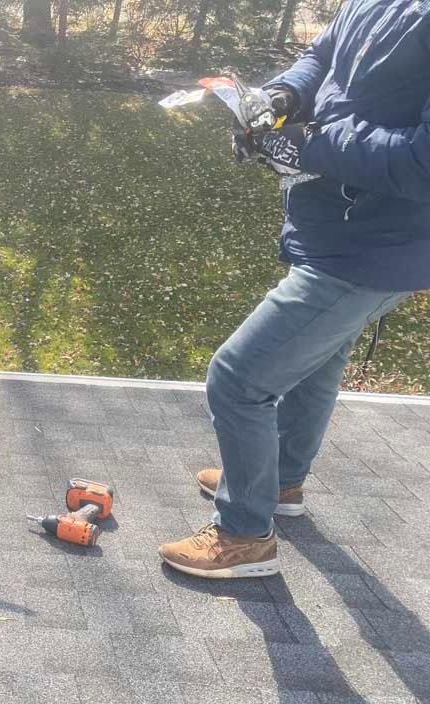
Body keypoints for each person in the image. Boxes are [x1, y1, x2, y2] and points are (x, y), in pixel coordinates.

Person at [159, 1, 430, 578]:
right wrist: (282, 99)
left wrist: (309, 145)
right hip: (340, 230)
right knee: (319, 359)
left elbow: (423, 161)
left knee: (238, 377)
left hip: (377, 248)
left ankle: (245, 535)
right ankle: (278, 480)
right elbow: (324, 54)